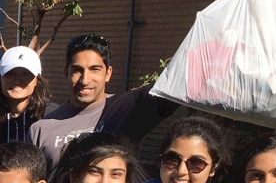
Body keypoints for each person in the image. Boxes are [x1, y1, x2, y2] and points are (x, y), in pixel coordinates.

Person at [29, 34, 177, 167]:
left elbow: (177, 83)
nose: (85, 80)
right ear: (65, 73)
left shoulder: (127, 109)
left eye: (95, 69)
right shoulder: (41, 130)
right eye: (77, 70)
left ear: (108, 73)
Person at [0, 46, 51, 151]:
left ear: (36, 80)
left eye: (26, 74)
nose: (17, 80)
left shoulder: (51, 116)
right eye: (10, 74)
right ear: (0, 78)